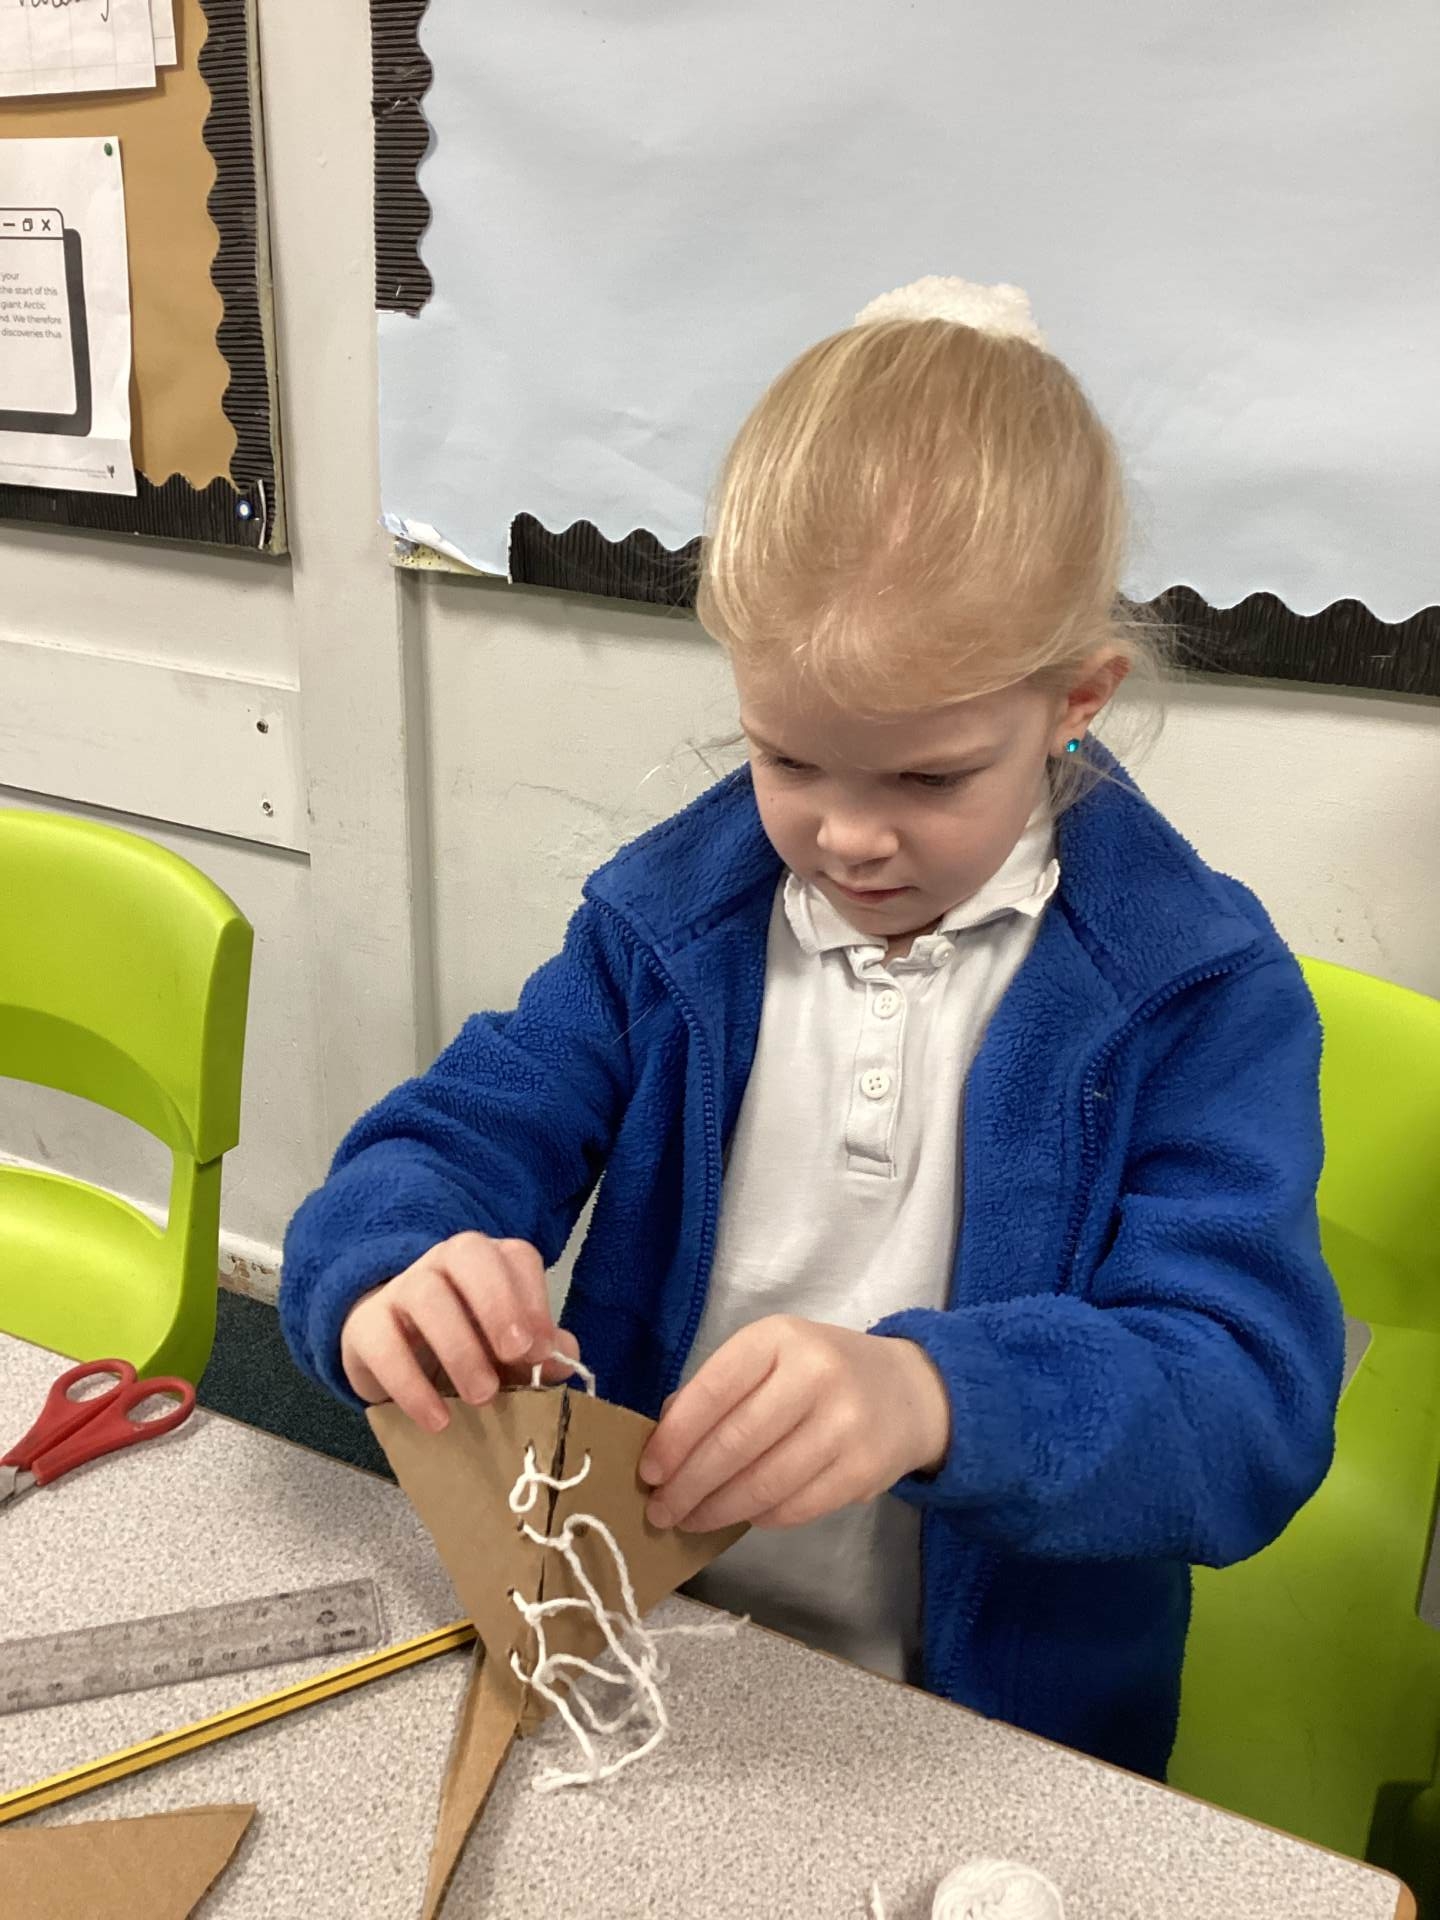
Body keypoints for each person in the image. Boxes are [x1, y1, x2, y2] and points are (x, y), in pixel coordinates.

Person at [280, 277, 1342, 1779]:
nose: (848, 837)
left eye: (928, 779)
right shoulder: (666, 926)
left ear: (1077, 701)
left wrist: (936, 1396)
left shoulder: (1195, 992)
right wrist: (393, 1267)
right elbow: (455, 1137)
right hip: (643, 1646)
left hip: (983, 1730)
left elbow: (1244, 1401)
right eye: (788, 759)